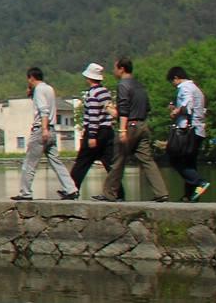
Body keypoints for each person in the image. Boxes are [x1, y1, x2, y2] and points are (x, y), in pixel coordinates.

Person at [98, 57, 169, 202]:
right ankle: (161, 192)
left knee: (118, 159)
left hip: (130, 126)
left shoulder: (123, 85)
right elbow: (147, 106)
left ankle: (109, 193)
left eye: (115, 67)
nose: (114, 70)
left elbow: (124, 109)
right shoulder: (139, 85)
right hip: (143, 125)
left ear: (121, 69)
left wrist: (122, 129)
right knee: (147, 160)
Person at [14, 67, 76, 201]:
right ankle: (71, 189)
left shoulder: (39, 90)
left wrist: (44, 129)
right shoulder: (49, 89)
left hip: (42, 130)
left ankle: (25, 192)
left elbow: (44, 110)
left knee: (29, 163)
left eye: (28, 79)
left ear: (31, 78)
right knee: (56, 162)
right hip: (52, 130)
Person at [69, 63, 118, 198]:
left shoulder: (92, 94)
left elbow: (93, 115)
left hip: (95, 131)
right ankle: (118, 192)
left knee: (82, 161)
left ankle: (71, 189)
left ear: (89, 78)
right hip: (108, 130)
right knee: (110, 163)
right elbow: (110, 111)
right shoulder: (106, 92)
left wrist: (91, 135)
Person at [166, 67, 209, 202]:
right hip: (198, 129)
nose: (173, 85)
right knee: (189, 162)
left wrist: (175, 111)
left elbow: (187, 105)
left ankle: (200, 182)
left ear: (176, 78)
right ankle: (189, 195)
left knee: (175, 159)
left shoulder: (185, 88)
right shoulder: (196, 88)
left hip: (188, 130)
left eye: (172, 81)